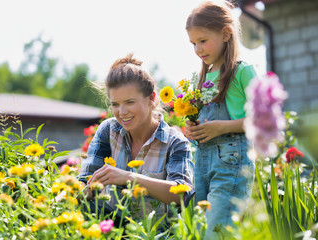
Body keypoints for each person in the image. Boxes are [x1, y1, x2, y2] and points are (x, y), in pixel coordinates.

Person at [78, 53, 194, 227]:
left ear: (151, 98)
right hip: (112, 229)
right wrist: (72, 192)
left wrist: (129, 177)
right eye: (115, 104)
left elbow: (182, 194)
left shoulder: (175, 142)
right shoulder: (108, 130)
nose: (122, 112)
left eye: (130, 102)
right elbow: (85, 180)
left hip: (155, 234)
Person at [184, 1, 257, 239]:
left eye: (203, 41)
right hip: (203, 164)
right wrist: (192, 127)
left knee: (217, 231)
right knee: (204, 230)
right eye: (193, 43)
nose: (197, 49)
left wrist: (220, 128)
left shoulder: (242, 71)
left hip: (231, 163)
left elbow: (262, 118)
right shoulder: (202, 78)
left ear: (226, 34)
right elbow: (201, 120)